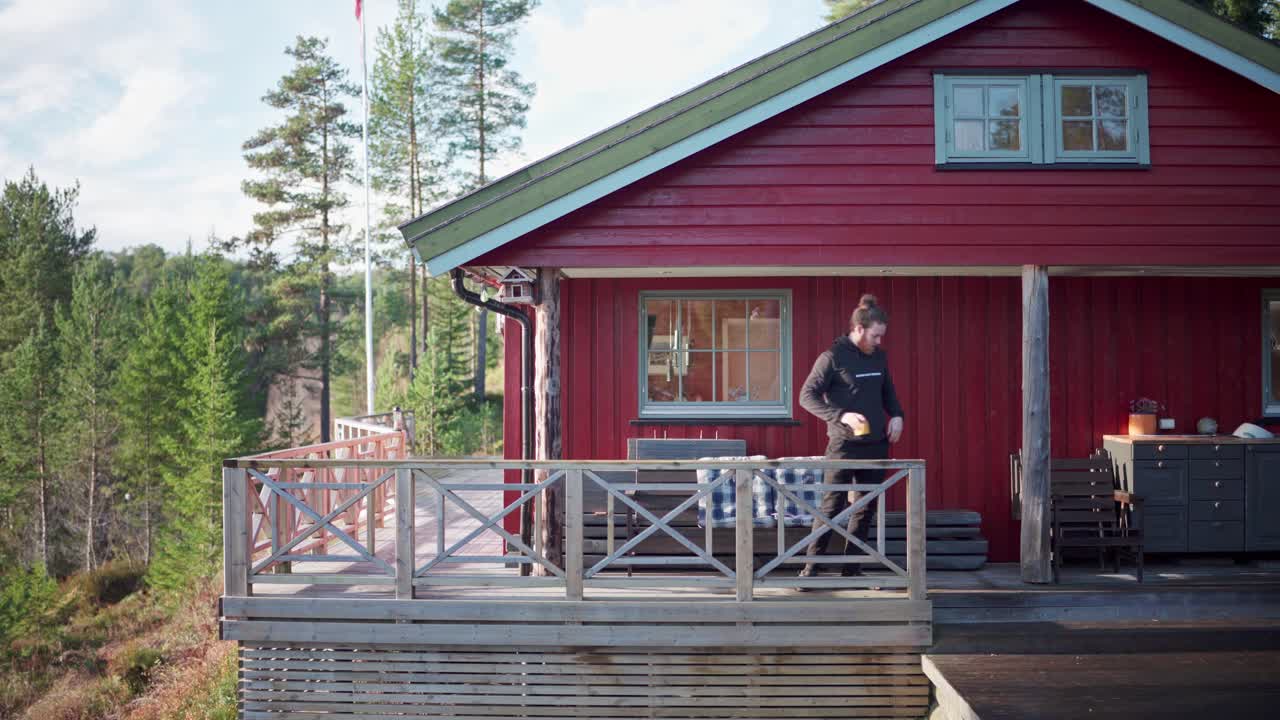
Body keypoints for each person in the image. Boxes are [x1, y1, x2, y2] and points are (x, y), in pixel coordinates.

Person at [797, 294, 904, 580]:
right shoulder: (832, 357)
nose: (879, 342)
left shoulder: (879, 357)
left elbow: (888, 392)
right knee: (832, 507)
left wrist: (896, 415)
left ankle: (851, 569)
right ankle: (811, 570)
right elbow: (805, 396)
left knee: (866, 508)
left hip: (875, 445)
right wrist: (841, 415)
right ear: (858, 329)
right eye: (875, 336)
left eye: (881, 336)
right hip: (843, 446)